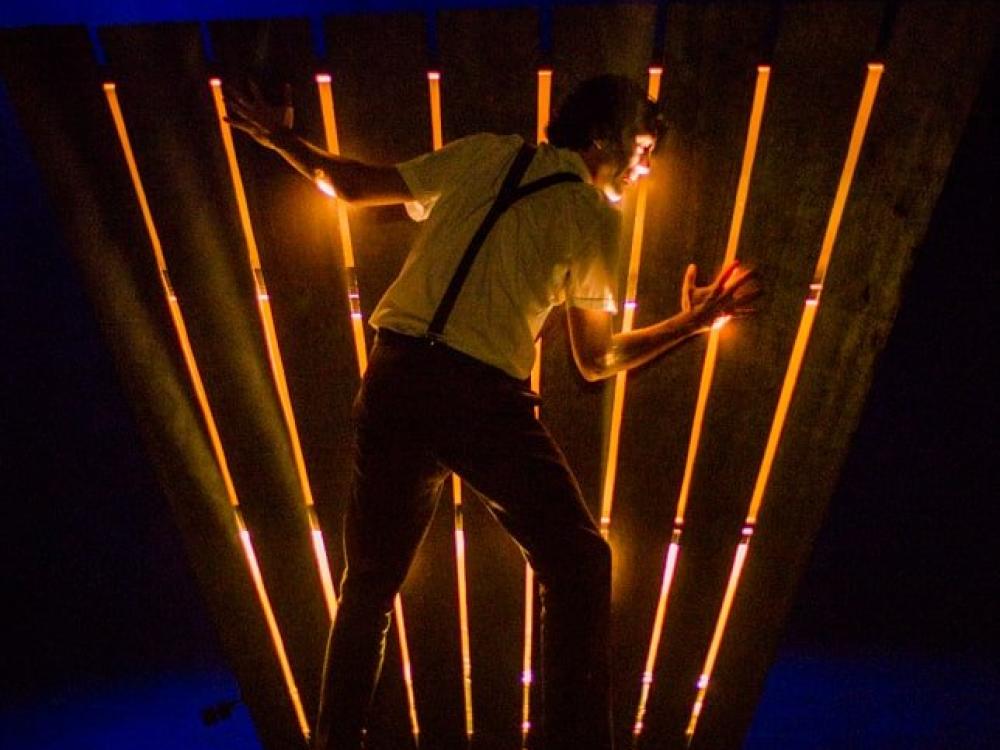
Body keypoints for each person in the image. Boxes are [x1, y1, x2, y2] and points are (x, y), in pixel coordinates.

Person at [225, 75, 757, 750]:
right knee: (581, 562)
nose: (645, 166)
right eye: (642, 147)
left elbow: (352, 186)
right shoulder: (593, 216)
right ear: (603, 139)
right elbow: (594, 362)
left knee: (368, 586)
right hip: (477, 398)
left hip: (393, 378)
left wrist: (277, 135)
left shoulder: (485, 154)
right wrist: (695, 320)